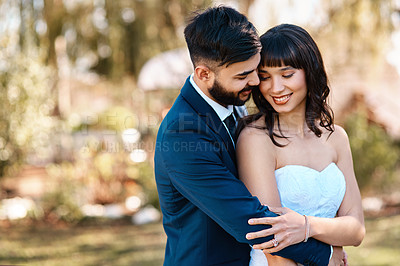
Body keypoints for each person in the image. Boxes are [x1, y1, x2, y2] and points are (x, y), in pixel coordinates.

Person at [154, 7, 336, 266]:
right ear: (204, 74)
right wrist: (325, 255)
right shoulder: (182, 133)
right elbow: (249, 221)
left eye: (255, 70)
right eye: (243, 75)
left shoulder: (233, 102)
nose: (254, 82)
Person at [236, 24, 366, 265]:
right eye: (265, 77)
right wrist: (329, 248)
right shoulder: (256, 139)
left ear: (310, 71)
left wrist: (306, 226)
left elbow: (356, 229)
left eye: (287, 75)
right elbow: (270, 243)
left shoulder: (337, 137)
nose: (275, 88)